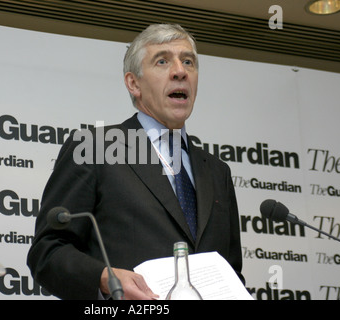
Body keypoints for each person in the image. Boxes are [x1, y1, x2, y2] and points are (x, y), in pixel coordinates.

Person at [27, 24, 244, 300]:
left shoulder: (217, 172)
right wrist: (106, 279)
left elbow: (231, 272)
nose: (180, 71)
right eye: (162, 61)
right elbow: (47, 253)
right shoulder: (94, 148)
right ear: (134, 83)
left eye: (188, 61)